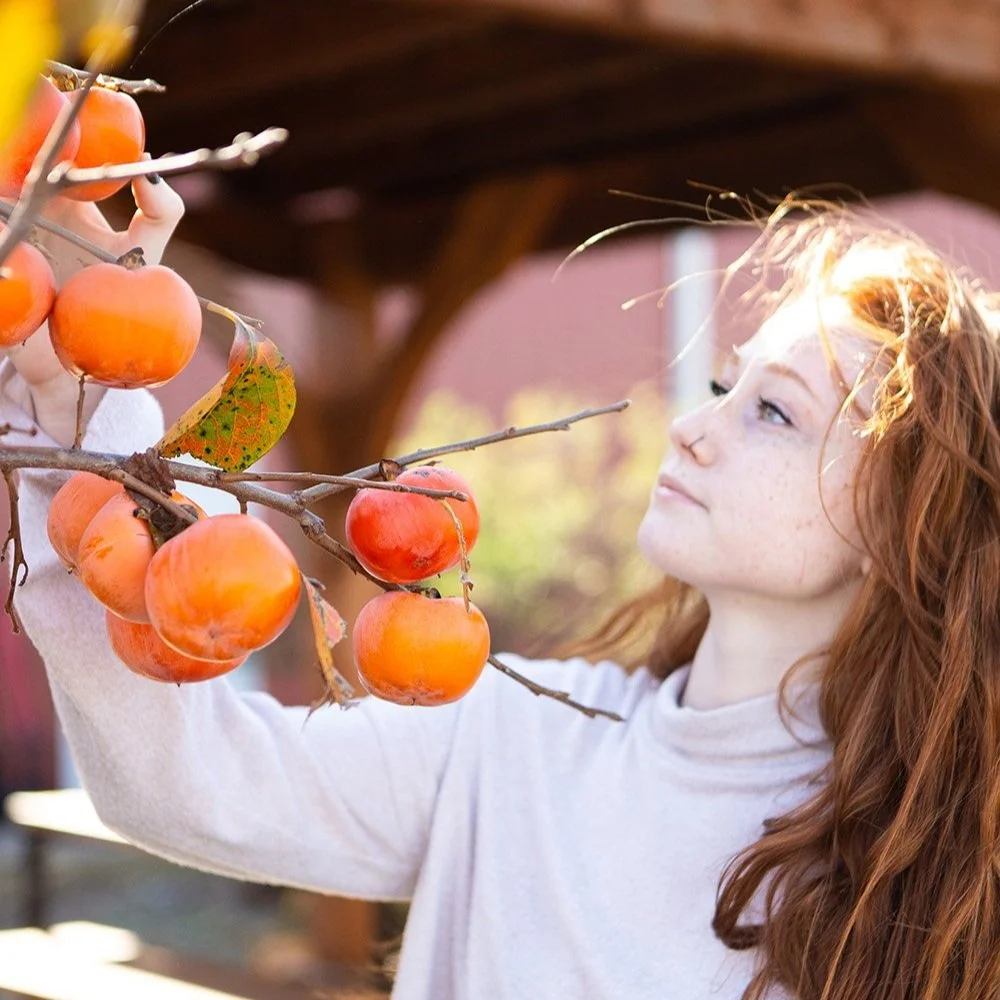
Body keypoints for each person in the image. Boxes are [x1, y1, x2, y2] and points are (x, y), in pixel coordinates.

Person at [2, 180, 997, 1000]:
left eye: (774, 413)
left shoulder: (938, 867)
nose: (694, 429)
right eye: (722, 389)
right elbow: (189, 781)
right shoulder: (516, 739)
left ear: (906, 521)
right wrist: (80, 396)